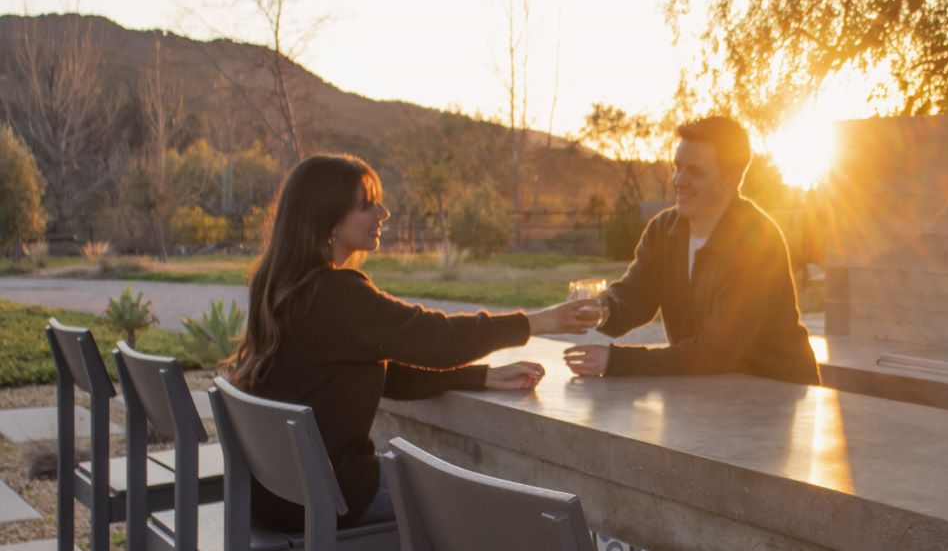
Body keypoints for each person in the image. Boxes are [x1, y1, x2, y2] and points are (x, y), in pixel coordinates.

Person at [228, 154, 598, 532]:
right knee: (492, 521)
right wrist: (538, 321)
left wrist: (480, 378)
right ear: (329, 219)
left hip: (278, 493)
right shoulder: (337, 293)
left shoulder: (282, 286)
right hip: (328, 495)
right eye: (367, 204)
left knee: (447, 487)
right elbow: (437, 338)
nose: (384, 213)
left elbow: (380, 373)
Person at [564, 116, 821, 385]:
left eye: (694, 172)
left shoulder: (757, 243)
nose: (678, 180)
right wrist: (600, 309)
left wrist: (617, 361)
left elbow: (716, 353)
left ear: (729, 180)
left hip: (777, 396)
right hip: (706, 391)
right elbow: (634, 299)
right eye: (677, 167)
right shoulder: (664, 229)